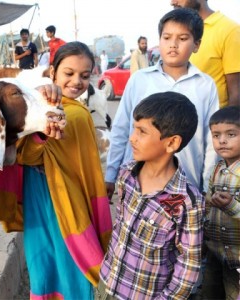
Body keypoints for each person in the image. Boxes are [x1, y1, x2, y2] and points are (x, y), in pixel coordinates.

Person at [0, 41, 112, 299]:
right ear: (53, 72)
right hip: (39, 193)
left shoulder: (80, 115)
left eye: (84, 75)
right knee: (42, 257)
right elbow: (22, 156)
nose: (76, 81)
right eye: (69, 73)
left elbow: (86, 168)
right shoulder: (35, 104)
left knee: (71, 257)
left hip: (71, 198)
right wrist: (42, 134)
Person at [97, 92, 205, 299]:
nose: (132, 138)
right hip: (107, 283)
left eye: (142, 131)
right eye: (134, 128)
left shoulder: (187, 201)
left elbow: (188, 266)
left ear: (172, 143)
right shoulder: (127, 174)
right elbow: (120, 229)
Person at [105, 8, 219, 202]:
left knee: (182, 232)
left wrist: (207, 186)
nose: (173, 45)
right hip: (137, 182)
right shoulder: (140, 80)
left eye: (182, 38)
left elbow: (211, 141)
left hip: (186, 185)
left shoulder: (205, 85)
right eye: (166, 37)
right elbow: (121, 128)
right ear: (159, 41)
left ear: (196, 44)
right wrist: (110, 174)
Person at [171, 0, 240, 108]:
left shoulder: (230, 30)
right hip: (179, 119)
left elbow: (236, 93)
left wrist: (227, 124)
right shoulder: (175, 29)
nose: (173, 2)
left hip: (211, 121)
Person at [202, 106, 240, 299]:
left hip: (237, 257)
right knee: (209, 293)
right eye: (216, 135)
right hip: (215, 252)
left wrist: (232, 206)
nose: (222, 141)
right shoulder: (216, 169)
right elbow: (208, 206)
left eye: (231, 134)